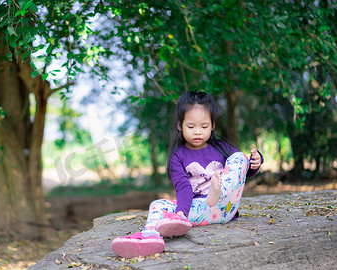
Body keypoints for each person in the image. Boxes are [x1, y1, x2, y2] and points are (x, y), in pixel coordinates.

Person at [112, 91, 263, 258]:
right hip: (200, 209)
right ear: (180, 126)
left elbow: (241, 173)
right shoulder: (178, 155)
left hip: (225, 206)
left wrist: (255, 163)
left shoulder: (222, 147)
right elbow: (183, 187)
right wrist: (181, 213)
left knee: (239, 157)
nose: (197, 132)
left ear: (212, 125)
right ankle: (149, 237)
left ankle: (216, 192)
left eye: (204, 126)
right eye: (191, 127)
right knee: (157, 204)